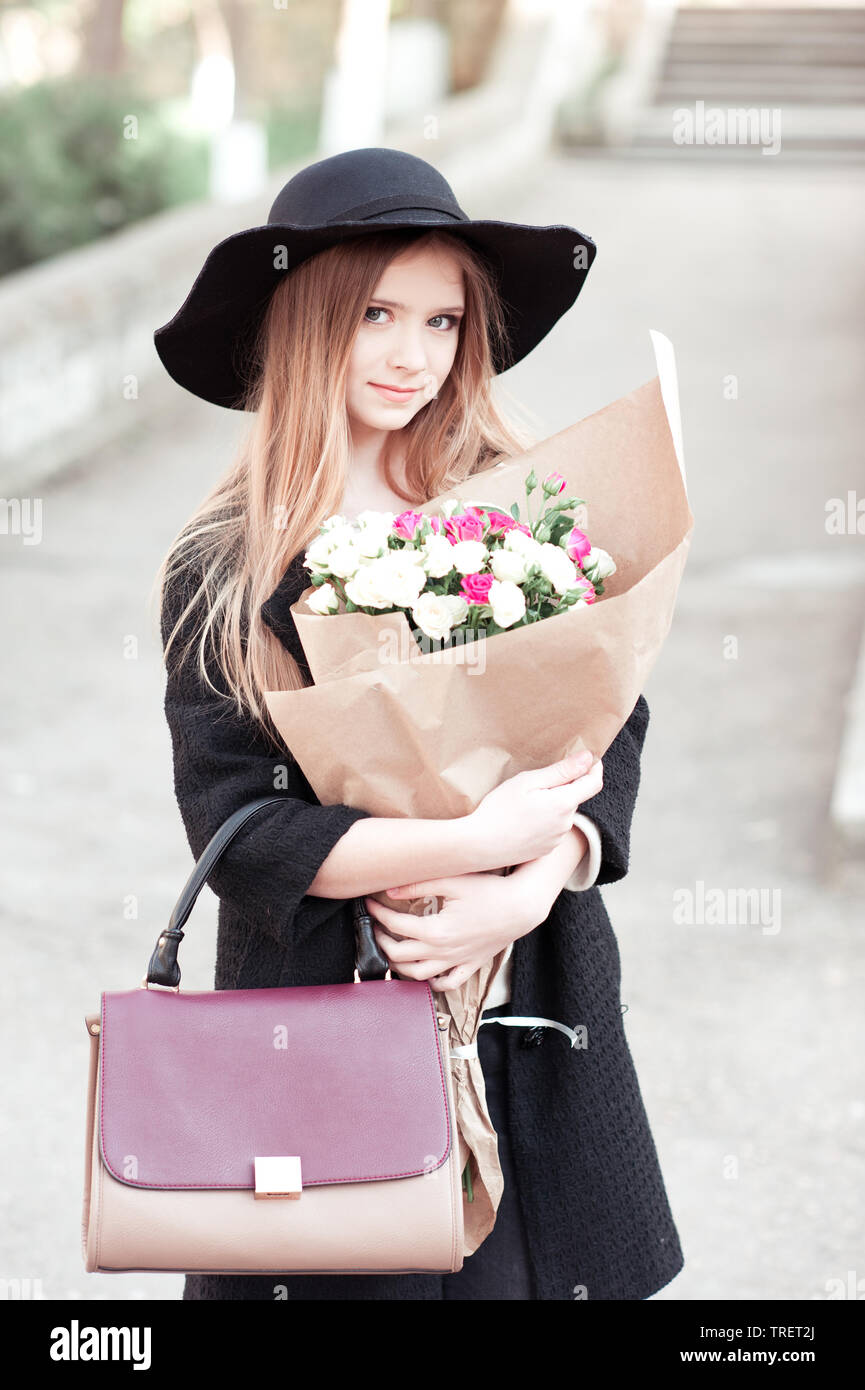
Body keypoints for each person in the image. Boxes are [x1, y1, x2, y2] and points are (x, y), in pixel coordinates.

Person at [152, 147, 685, 1301]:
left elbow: (613, 720)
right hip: (320, 1039)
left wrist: (531, 882)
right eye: (378, 312)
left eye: (442, 321)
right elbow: (240, 833)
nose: (412, 353)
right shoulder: (225, 564)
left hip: (524, 1010)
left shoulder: (517, 503)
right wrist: (460, 846)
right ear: (303, 320)